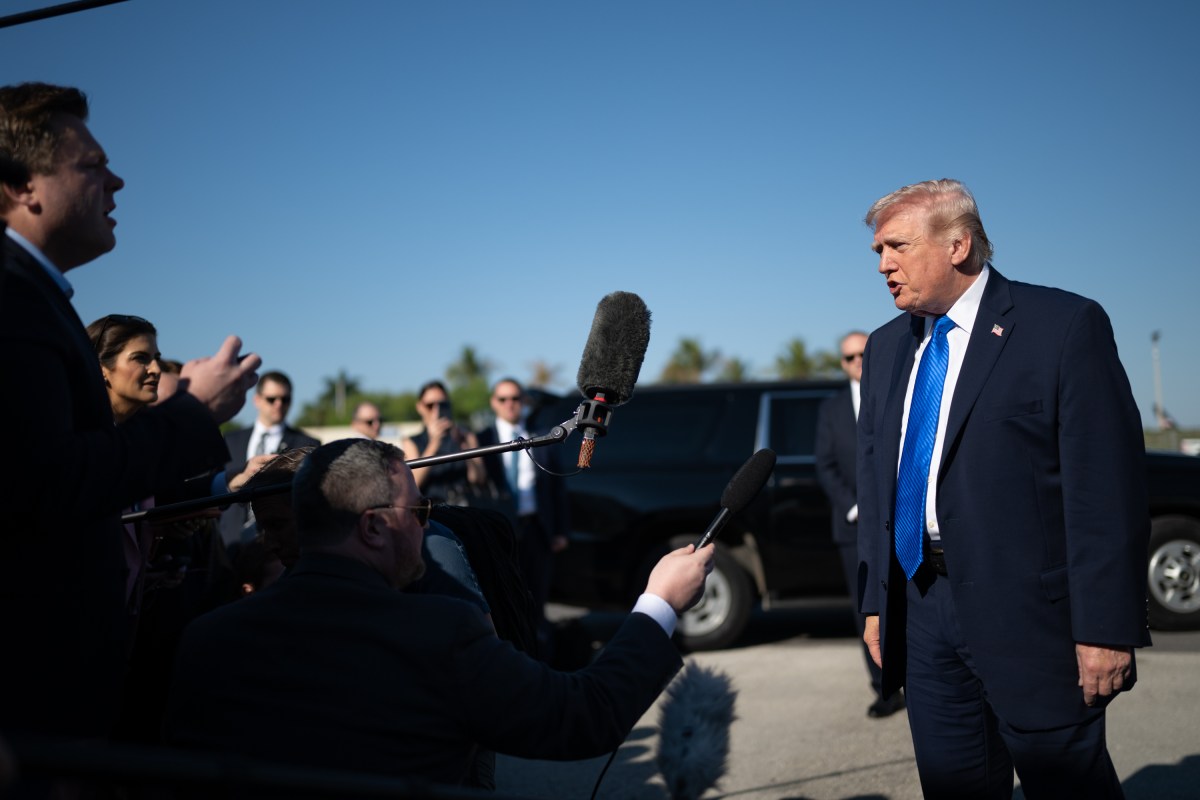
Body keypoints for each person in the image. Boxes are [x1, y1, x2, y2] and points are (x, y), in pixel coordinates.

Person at [165, 438, 714, 788]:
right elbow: (580, 718)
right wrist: (659, 602)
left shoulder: (209, 640)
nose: (428, 525)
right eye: (419, 510)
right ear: (374, 526)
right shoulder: (437, 633)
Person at [856, 179, 1150, 798]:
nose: (884, 264)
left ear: (959, 244)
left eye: (898, 247)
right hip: (923, 606)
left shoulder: (1063, 326)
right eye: (879, 251)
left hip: (1033, 619)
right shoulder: (886, 348)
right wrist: (877, 603)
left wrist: (1106, 627)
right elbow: (876, 479)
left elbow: (1106, 493)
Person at [0, 81, 260, 742]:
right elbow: (47, 482)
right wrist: (195, 414)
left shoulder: (37, 296)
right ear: (25, 185)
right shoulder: (12, 296)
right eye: (91, 165)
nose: (117, 181)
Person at [815, 329, 904, 719]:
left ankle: (920, 680)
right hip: (853, 528)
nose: (858, 363)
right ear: (842, 363)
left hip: (902, 521)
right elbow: (825, 465)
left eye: (864, 355)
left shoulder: (898, 391)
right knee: (866, 609)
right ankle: (884, 689)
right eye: (850, 358)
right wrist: (855, 507)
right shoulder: (830, 409)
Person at [476, 377, 570, 650]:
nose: (510, 405)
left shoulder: (542, 436)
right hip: (498, 531)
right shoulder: (482, 439)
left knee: (537, 599)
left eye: (516, 398)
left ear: (524, 402)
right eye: (503, 399)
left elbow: (557, 488)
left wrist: (560, 530)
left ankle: (542, 660)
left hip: (535, 529)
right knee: (501, 600)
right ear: (494, 403)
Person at [218, 370, 320, 547]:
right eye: (271, 399)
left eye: (285, 399)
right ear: (257, 400)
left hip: (278, 545)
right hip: (230, 541)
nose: (278, 405)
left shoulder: (308, 444)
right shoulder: (231, 440)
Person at [402, 379, 485, 504]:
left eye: (442, 405)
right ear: (419, 407)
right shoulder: (412, 442)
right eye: (430, 406)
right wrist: (434, 443)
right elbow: (412, 484)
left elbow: (478, 478)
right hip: (432, 512)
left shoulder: (465, 436)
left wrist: (464, 446)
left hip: (465, 509)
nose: (436, 411)